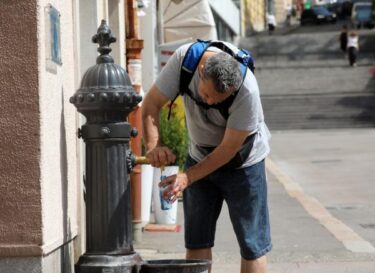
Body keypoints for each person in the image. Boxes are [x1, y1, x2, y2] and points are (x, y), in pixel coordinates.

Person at [142, 40, 272, 273]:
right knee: (197, 239)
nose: (210, 102)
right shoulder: (185, 61)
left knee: (252, 245)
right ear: (201, 72)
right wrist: (154, 146)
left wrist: (187, 177)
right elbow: (151, 104)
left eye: (219, 100)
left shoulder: (247, 90)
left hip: (244, 163)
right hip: (199, 154)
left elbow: (227, 150)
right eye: (207, 95)